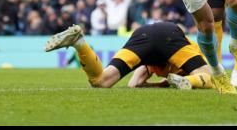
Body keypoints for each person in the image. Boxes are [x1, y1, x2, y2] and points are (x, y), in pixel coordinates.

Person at [45, 22, 213, 90]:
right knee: (212, 78)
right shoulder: (192, 48)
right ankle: (188, 82)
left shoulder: (149, 64)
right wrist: (164, 84)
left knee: (101, 81)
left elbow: (134, 84)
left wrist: (158, 84)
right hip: (170, 34)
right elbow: (207, 74)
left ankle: (80, 43)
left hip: (142, 35)